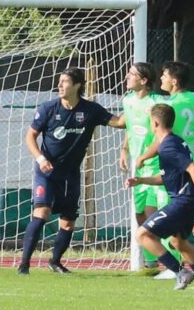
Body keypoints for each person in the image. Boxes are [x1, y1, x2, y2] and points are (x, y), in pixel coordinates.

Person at [18, 67, 124, 275]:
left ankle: (55, 261)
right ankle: (24, 265)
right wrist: (40, 158)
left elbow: (118, 122)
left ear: (77, 85)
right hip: (46, 172)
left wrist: (139, 108)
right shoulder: (49, 108)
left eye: (65, 81)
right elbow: (30, 137)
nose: (60, 85)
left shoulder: (91, 110)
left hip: (71, 175)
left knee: (68, 222)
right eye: (59, 81)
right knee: (42, 212)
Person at [136, 61, 194, 275]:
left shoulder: (170, 106)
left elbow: (161, 138)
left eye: (164, 75)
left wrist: (142, 157)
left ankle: (176, 268)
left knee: (171, 217)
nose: (162, 79)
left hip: (179, 165)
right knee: (191, 218)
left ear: (174, 81)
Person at [126, 104, 194, 290]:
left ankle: (180, 272)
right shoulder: (175, 141)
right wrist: (142, 180)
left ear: (155, 123)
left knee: (143, 234)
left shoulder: (168, 146)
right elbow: (168, 177)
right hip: (187, 201)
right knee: (179, 242)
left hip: (184, 201)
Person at [119, 63, 182, 278]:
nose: (127, 77)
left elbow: (163, 134)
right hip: (138, 166)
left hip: (157, 167)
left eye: (132, 74)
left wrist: (148, 155)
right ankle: (153, 260)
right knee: (141, 215)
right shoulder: (127, 101)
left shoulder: (157, 102)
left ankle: (174, 267)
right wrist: (125, 150)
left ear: (144, 80)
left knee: (162, 215)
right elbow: (128, 126)